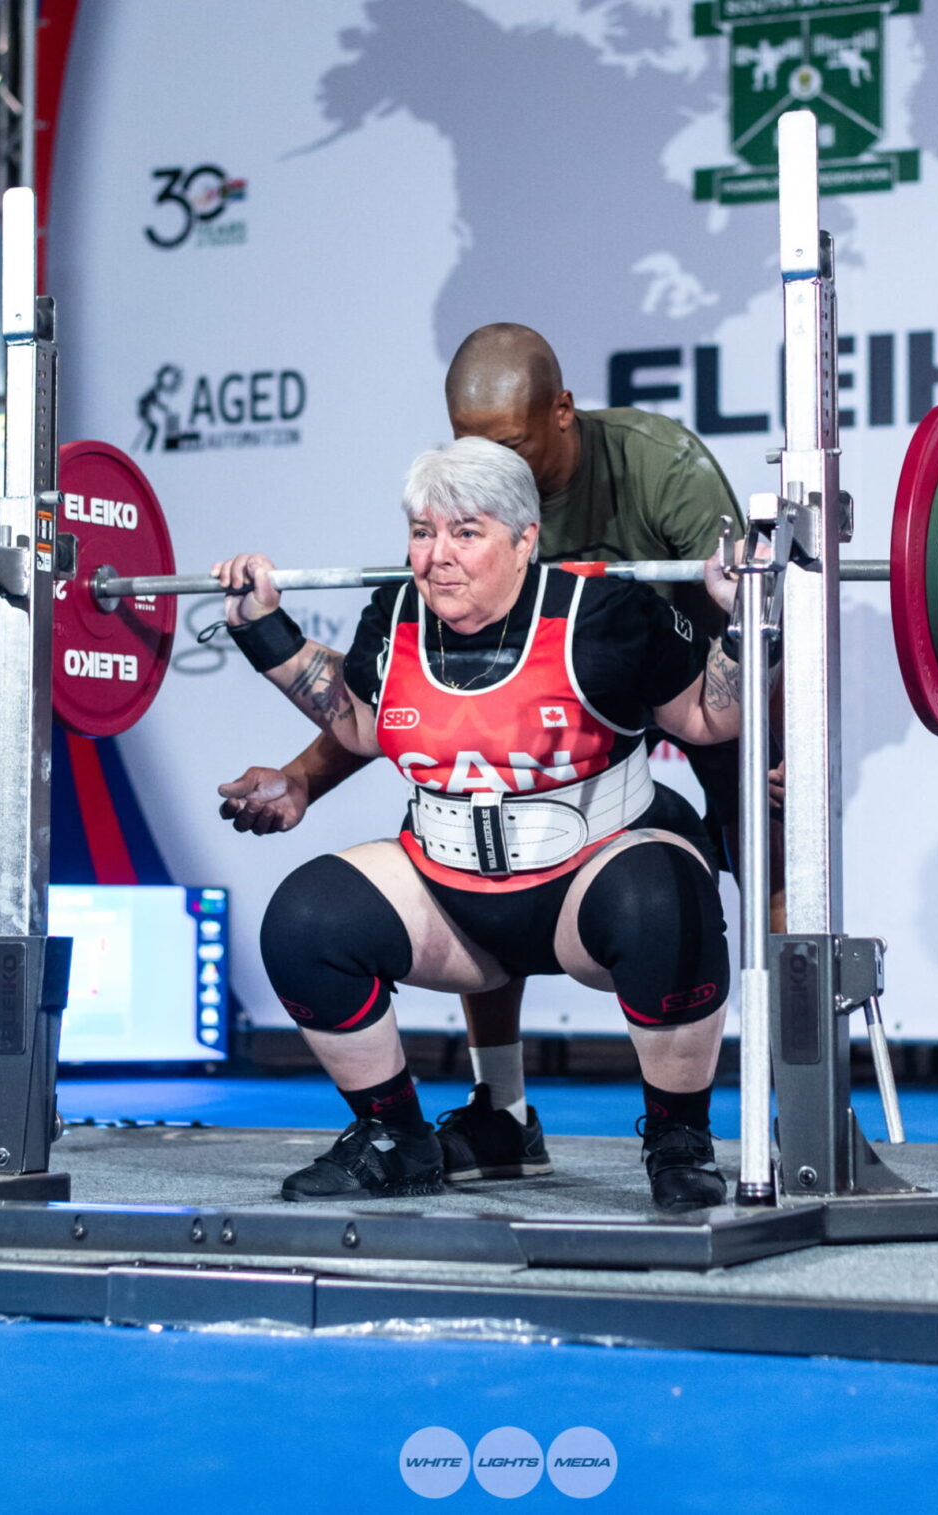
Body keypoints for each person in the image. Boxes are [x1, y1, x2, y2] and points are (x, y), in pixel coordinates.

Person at [219, 324, 784, 1185]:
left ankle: (685, 1140)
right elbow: (362, 722)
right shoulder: (396, 613)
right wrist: (266, 632)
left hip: (587, 875)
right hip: (455, 894)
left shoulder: (610, 604)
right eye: (422, 533)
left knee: (679, 894)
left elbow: (709, 718)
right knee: (305, 919)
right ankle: (398, 1137)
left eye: (464, 534)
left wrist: (751, 620)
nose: (437, 557)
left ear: (526, 537)